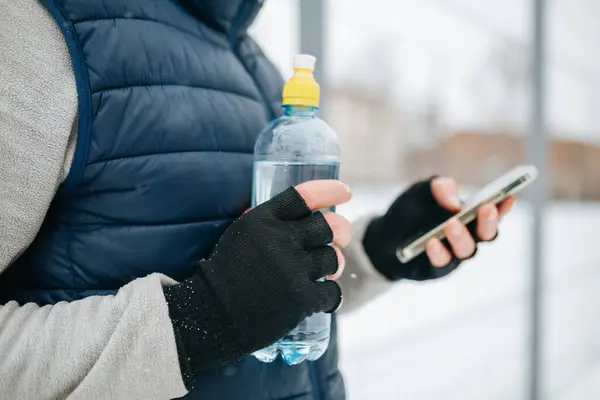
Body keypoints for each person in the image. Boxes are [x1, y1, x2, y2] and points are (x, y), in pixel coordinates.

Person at [0, 1, 515, 399]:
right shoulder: (38, 31)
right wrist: (195, 320)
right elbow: (230, 301)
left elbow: (268, 292)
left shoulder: (256, 67)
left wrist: (378, 252)